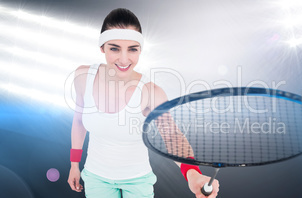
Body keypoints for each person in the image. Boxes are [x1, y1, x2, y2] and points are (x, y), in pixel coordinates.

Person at [67, 8, 219, 198]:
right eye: (114, 48)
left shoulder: (151, 92)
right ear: (102, 48)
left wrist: (193, 174)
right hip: (96, 177)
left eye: (132, 49)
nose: (124, 59)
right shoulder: (83, 76)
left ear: (140, 50)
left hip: (137, 180)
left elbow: (172, 138)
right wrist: (74, 164)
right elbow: (80, 120)